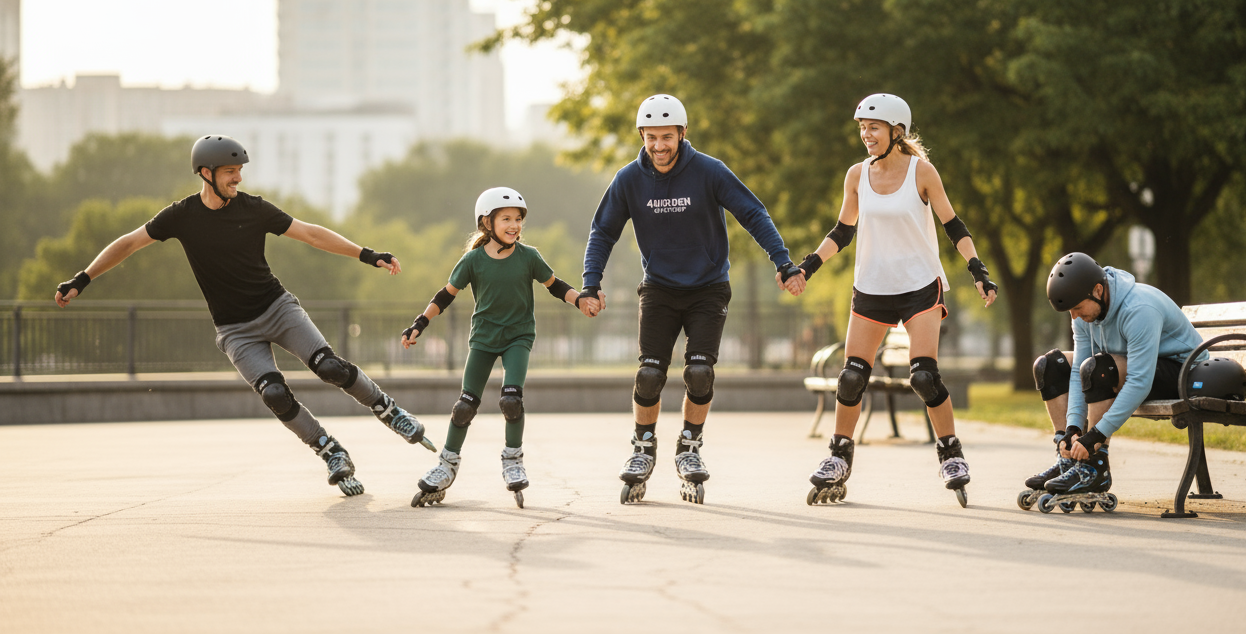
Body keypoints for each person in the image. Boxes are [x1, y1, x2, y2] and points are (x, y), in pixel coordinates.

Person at [53, 135, 434, 497]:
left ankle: (388, 410)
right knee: (274, 394)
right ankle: (329, 449)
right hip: (235, 329)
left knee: (330, 367)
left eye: (239, 171)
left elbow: (311, 234)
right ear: (206, 174)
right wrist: (83, 279)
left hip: (278, 309)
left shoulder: (254, 209)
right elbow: (129, 243)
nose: (238, 178)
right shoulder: (181, 215)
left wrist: (368, 254)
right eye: (230, 172)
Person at [579, 93, 805, 505]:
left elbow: (753, 213)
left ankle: (689, 446)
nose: (659, 146)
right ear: (642, 136)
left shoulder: (709, 171)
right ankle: (643, 447)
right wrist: (591, 284)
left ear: (682, 134)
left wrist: (784, 262)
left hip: (708, 287)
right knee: (650, 374)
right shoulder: (628, 179)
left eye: (667, 137)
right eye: (651, 137)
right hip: (659, 288)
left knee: (699, 373)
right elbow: (603, 232)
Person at [791, 93, 997, 507]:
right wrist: (806, 267)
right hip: (872, 286)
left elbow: (953, 225)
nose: (866, 135)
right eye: (862, 128)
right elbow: (842, 231)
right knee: (851, 377)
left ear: (896, 131)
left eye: (874, 127)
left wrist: (978, 269)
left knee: (924, 377)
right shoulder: (856, 175)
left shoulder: (923, 172)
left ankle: (951, 454)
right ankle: (838, 457)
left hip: (919, 286)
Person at [400, 187, 589, 509]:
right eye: (506, 219)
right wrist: (419, 323)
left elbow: (555, 286)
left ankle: (513, 459)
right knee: (465, 406)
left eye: (518, 219)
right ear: (487, 223)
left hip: (518, 337)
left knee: (511, 400)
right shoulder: (472, 260)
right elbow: (445, 295)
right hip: (484, 339)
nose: (514, 225)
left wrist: (581, 300)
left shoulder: (529, 257)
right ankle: (446, 465)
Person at [1020, 252, 1236, 512]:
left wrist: (1095, 436)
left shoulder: (1138, 309)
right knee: (1049, 366)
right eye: (1070, 311)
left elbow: (1139, 381)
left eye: (1077, 308)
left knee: (1100, 369)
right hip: (1128, 366)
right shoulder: (1085, 310)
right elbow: (1077, 368)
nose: (1074, 316)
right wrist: (1072, 429)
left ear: (1098, 290)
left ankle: (1095, 466)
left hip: (1182, 372)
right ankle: (1068, 461)